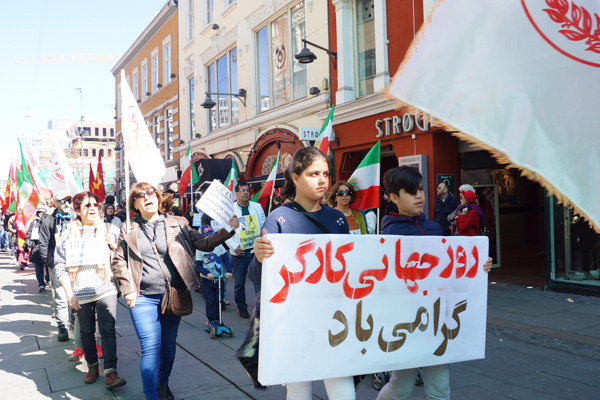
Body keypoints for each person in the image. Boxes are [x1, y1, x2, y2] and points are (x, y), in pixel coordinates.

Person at [111, 182, 239, 400]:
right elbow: (118, 260)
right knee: (150, 347)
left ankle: (163, 383)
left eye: (150, 192)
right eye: (140, 195)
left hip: (173, 294)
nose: (146, 197)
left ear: (158, 197)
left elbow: (205, 243)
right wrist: (128, 288)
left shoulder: (178, 223)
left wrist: (229, 230)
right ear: (135, 203)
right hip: (142, 297)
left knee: (168, 344)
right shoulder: (128, 227)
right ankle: (151, 396)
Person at [249, 147, 356, 400]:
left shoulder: (337, 219)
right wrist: (259, 256)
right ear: (295, 177)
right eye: (313, 174)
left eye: (326, 174)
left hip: (334, 318)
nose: (322, 180)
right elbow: (257, 277)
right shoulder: (278, 218)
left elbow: (347, 270)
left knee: (344, 393)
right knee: (299, 390)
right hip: (295, 322)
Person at [376, 166, 492, 400]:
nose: (419, 195)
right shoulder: (388, 234)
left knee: (439, 388)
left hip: (438, 320)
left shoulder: (433, 228)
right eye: (410, 191)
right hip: (405, 324)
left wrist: (479, 265)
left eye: (420, 189)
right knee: (402, 385)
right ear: (394, 197)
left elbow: (450, 268)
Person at [54, 192, 126, 389]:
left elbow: (121, 258)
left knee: (108, 330)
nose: (93, 208)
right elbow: (59, 265)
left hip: (105, 288)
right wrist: (69, 293)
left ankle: (111, 371)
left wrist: (115, 247)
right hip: (80, 291)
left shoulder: (109, 230)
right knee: (86, 332)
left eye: (95, 204)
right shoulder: (68, 236)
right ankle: (92, 366)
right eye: (87, 206)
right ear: (77, 210)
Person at [39, 190, 74, 341]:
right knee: (61, 296)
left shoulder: (77, 218)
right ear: (55, 203)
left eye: (69, 200)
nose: (66, 203)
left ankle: (77, 324)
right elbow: (43, 245)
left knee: (78, 295)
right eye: (62, 201)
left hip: (77, 265)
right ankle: (63, 327)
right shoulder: (48, 221)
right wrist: (51, 264)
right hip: (58, 265)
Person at [230, 181, 266, 318]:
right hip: (240, 252)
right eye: (243, 190)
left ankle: (261, 307)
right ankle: (242, 307)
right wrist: (235, 247)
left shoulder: (257, 207)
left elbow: (263, 224)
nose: (246, 193)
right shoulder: (231, 209)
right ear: (237, 193)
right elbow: (226, 232)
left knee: (259, 281)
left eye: (247, 190)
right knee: (239, 282)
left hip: (255, 251)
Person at [196, 218, 233, 330]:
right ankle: (212, 320)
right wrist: (207, 273)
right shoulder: (200, 249)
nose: (209, 239)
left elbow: (226, 259)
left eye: (211, 236)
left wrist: (228, 271)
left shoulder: (219, 246)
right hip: (207, 280)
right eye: (206, 237)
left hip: (219, 278)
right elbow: (198, 265)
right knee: (210, 301)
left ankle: (219, 320)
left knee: (219, 301)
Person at [25, 207, 49, 292]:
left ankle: (48, 279)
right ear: (38, 213)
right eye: (41, 213)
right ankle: (41, 284)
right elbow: (29, 233)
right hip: (36, 248)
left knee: (49, 268)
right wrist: (28, 241)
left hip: (47, 248)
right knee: (38, 269)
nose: (42, 214)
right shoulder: (34, 223)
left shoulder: (49, 222)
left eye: (44, 213)